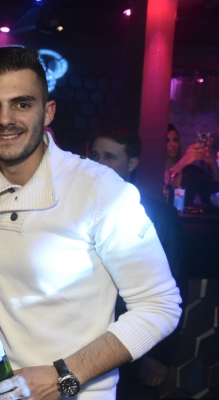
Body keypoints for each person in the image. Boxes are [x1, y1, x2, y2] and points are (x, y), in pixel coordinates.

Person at [0, 46, 181, 400]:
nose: (5, 119)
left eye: (22, 104)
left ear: (48, 111)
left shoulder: (101, 190)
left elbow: (160, 305)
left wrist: (62, 376)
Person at [90, 127, 184, 398]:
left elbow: (173, 287)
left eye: (110, 157)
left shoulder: (158, 215)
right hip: (80, 340)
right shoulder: (72, 207)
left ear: (131, 163)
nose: (99, 163)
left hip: (133, 341)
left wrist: (160, 355)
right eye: (95, 155)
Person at [164, 124, 219, 206]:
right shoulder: (153, 170)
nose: (173, 144)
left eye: (175, 140)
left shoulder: (190, 171)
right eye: (167, 141)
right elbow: (165, 183)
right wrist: (184, 161)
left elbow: (214, 188)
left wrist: (213, 164)